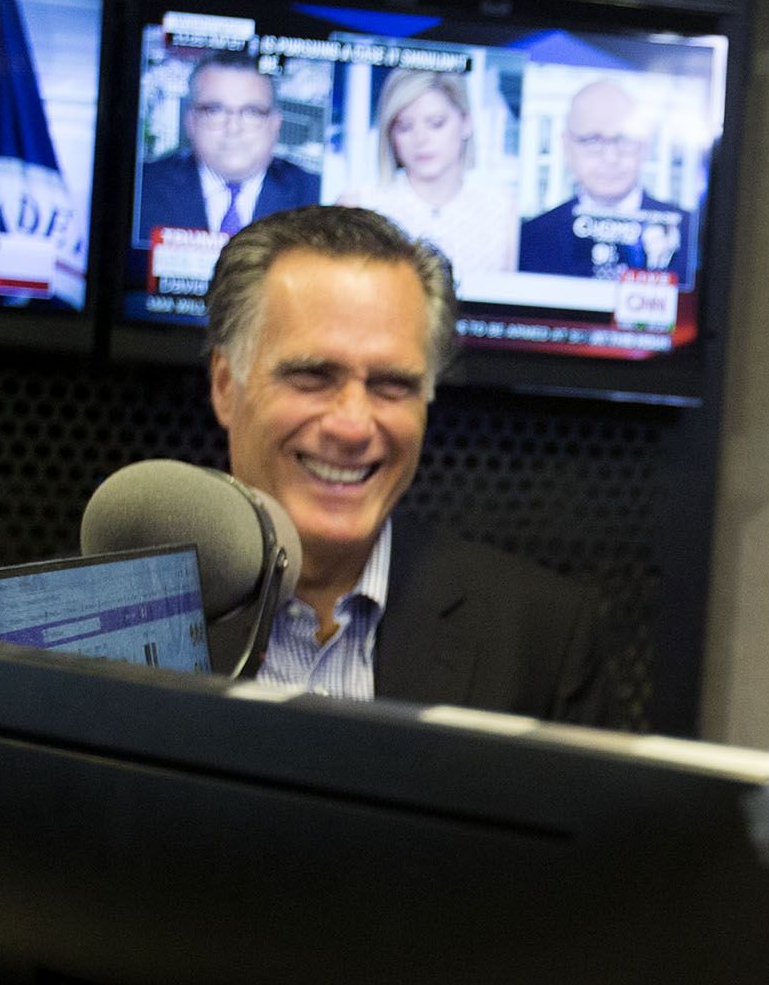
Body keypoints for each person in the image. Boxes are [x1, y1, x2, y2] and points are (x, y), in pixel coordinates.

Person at [205, 204, 602, 719]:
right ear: (224, 388)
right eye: (312, 376)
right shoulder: (94, 624)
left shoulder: (543, 639)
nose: (352, 425)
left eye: (392, 385)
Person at [514, 80, 693, 283]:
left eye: (624, 139)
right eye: (592, 140)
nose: (610, 157)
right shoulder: (530, 237)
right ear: (566, 147)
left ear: (645, 146)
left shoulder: (690, 234)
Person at [138, 53, 322, 239]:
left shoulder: (317, 196)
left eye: (252, 112)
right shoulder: (142, 187)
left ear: (275, 124)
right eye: (214, 110)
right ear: (190, 121)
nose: (233, 128)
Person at [362, 68, 516, 284]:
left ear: (466, 123)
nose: (421, 139)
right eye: (405, 127)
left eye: (436, 123)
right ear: (390, 134)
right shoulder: (362, 204)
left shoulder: (502, 210)